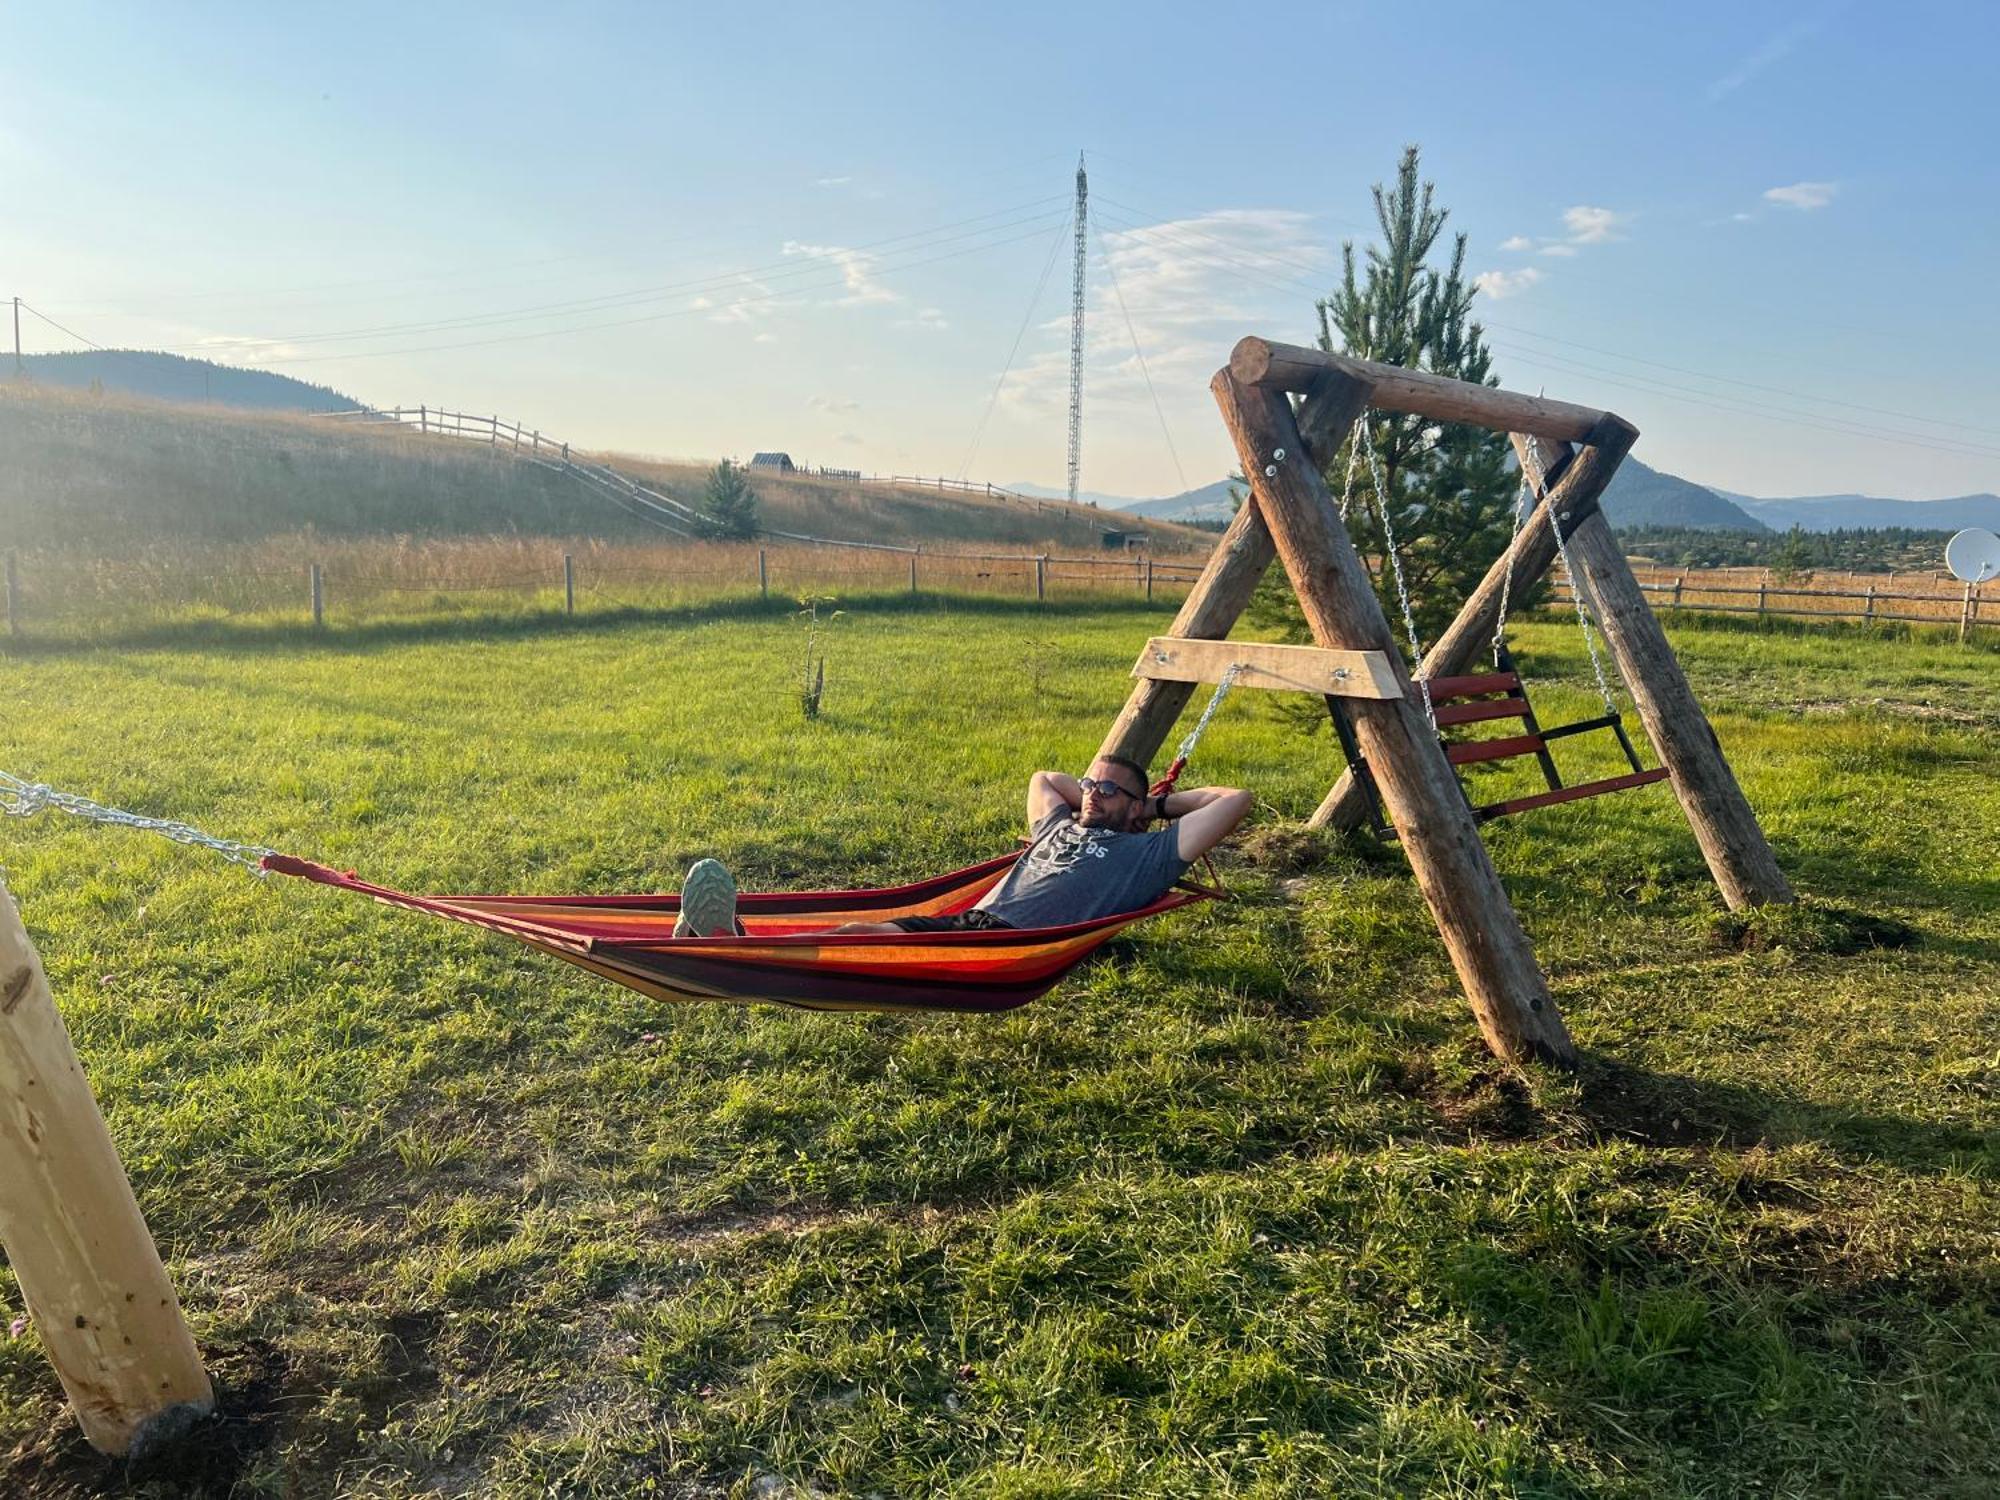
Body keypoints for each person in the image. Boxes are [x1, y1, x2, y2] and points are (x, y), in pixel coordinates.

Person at [670, 756, 1253, 938]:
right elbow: (1043, 780)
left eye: (1107, 788)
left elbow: (1235, 799)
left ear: (1134, 805)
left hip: (1007, 941)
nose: (1091, 792)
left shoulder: (1145, 857)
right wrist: (1099, 797)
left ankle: (733, 946)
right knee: (873, 927)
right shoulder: (1058, 826)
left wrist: (1148, 808)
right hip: (973, 919)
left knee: (868, 939)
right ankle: (727, 943)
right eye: (1090, 781)